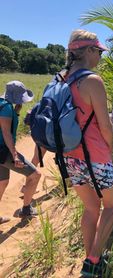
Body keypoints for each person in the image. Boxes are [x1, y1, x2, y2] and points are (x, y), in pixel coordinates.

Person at [62, 29, 113, 277]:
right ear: (87, 51)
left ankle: (90, 257)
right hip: (96, 155)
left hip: (70, 157)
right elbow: (105, 126)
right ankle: (94, 261)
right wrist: (112, 148)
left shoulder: (60, 79)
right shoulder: (92, 81)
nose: (100, 56)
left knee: (90, 208)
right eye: (98, 51)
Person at [0, 81, 41, 223]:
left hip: (1, 151)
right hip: (4, 151)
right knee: (35, 175)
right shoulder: (6, 108)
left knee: (2, 182)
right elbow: (6, 133)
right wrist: (15, 155)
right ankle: (26, 209)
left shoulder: (3, 105)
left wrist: (16, 111)